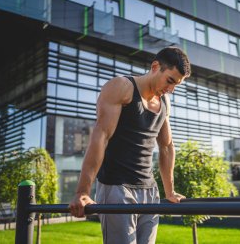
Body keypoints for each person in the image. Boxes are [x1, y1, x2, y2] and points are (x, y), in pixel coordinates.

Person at [69, 47, 191, 244]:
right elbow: (101, 137)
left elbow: (167, 146)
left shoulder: (165, 102)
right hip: (117, 186)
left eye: (176, 85)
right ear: (155, 67)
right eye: (169, 81)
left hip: (150, 190)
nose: (171, 89)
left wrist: (169, 191)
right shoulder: (121, 87)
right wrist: (83, 191)